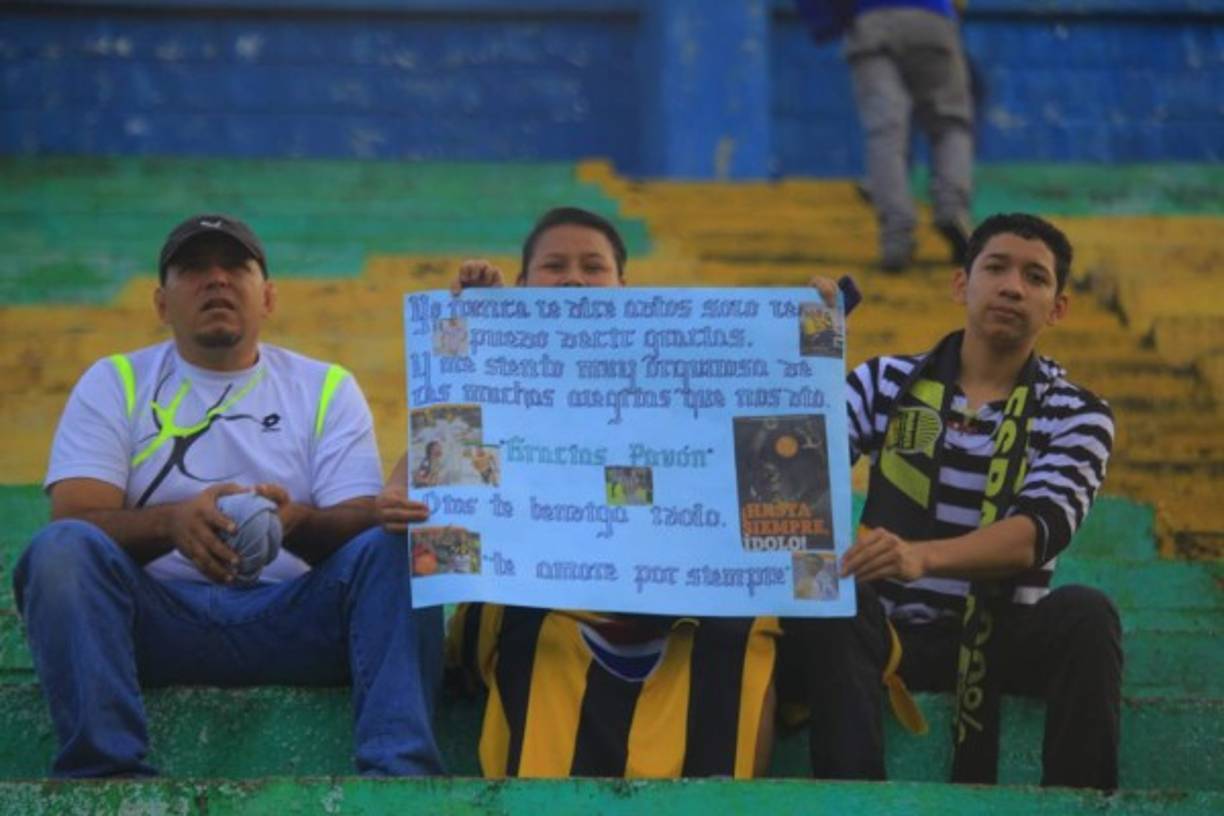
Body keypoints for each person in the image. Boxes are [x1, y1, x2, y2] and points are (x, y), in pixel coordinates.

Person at [14, 213, 443, 778]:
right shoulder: (113, 381)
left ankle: (400, 776)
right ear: (161, 303)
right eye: (192, 268)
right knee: (60, 550)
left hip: (294, 619)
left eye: (234, 266)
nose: (215, 279)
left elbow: (358, 536)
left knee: (399, 545)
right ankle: (104, 777)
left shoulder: (325, 387)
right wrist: (173, 526)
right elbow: (73, 519)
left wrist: (299, 521)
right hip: (153, 623)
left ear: (266, 297)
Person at [377, 207, 782, 778]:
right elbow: (419, 477)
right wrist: (478, 351)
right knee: (532, 627)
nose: (574, 280)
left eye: (594, 267)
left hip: (665, 603)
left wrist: (804, 331)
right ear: (521, 288)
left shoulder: (678, 384)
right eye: (554, 266)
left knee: (748, 627)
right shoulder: (499, 382)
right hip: (537, 605)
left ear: (624, 289)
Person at [785, 212, 1121, 788]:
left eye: (1036, 278)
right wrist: (807, 352)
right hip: (882, 630)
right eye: (995, 268)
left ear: (1057, 307)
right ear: (962, 283)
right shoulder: (884, 381)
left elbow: (1037, 532)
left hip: (1001, 635)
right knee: (830, 600)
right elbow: (792, 471)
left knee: (1087, 615)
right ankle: (854, 799)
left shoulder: (1078, 413)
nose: (1013, 286)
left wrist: (924, 557)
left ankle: (1079, 801)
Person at [795, 0, 974, 271]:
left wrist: (825, 24)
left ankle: (896, 235)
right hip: (931, 18)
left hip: (871, 23)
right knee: (950, 124)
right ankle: (952, 210)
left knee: (885, 133)